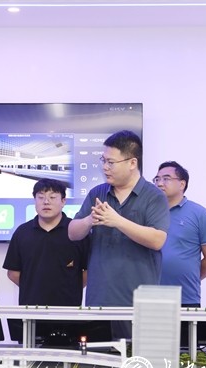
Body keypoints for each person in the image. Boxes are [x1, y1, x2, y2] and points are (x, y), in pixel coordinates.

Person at [68, 130, 169, 339]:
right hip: (99, 300)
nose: (105, 167)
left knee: (138, 358)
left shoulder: (154, 196)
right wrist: (89, 220)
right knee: (97, 357)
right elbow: (72, 233)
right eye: (103, 160)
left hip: (139, 302)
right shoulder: (97, 193)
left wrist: (117, 221)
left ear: (132, 163)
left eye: (111, 162)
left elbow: (157, 240)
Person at [4, 178, 90, 345]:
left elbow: (88, 272)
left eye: (52, 197)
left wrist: (69, 287)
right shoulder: (22, 232)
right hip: (31, 313)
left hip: (69, 313)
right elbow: (13, 273)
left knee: (68, 357)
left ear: (63, 201)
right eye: (41, 197)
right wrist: (34, 286)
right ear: (34, 200)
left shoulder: (76, 232)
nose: (46, 202)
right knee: (30, 358)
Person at [155, 161, 206, 308]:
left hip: (185, 297)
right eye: (157, 179)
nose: (159, 183)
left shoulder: (200, 214)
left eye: (166, 179)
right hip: (150, 296)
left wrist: (190, 275)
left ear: (182, 184)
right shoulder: (149, 213)